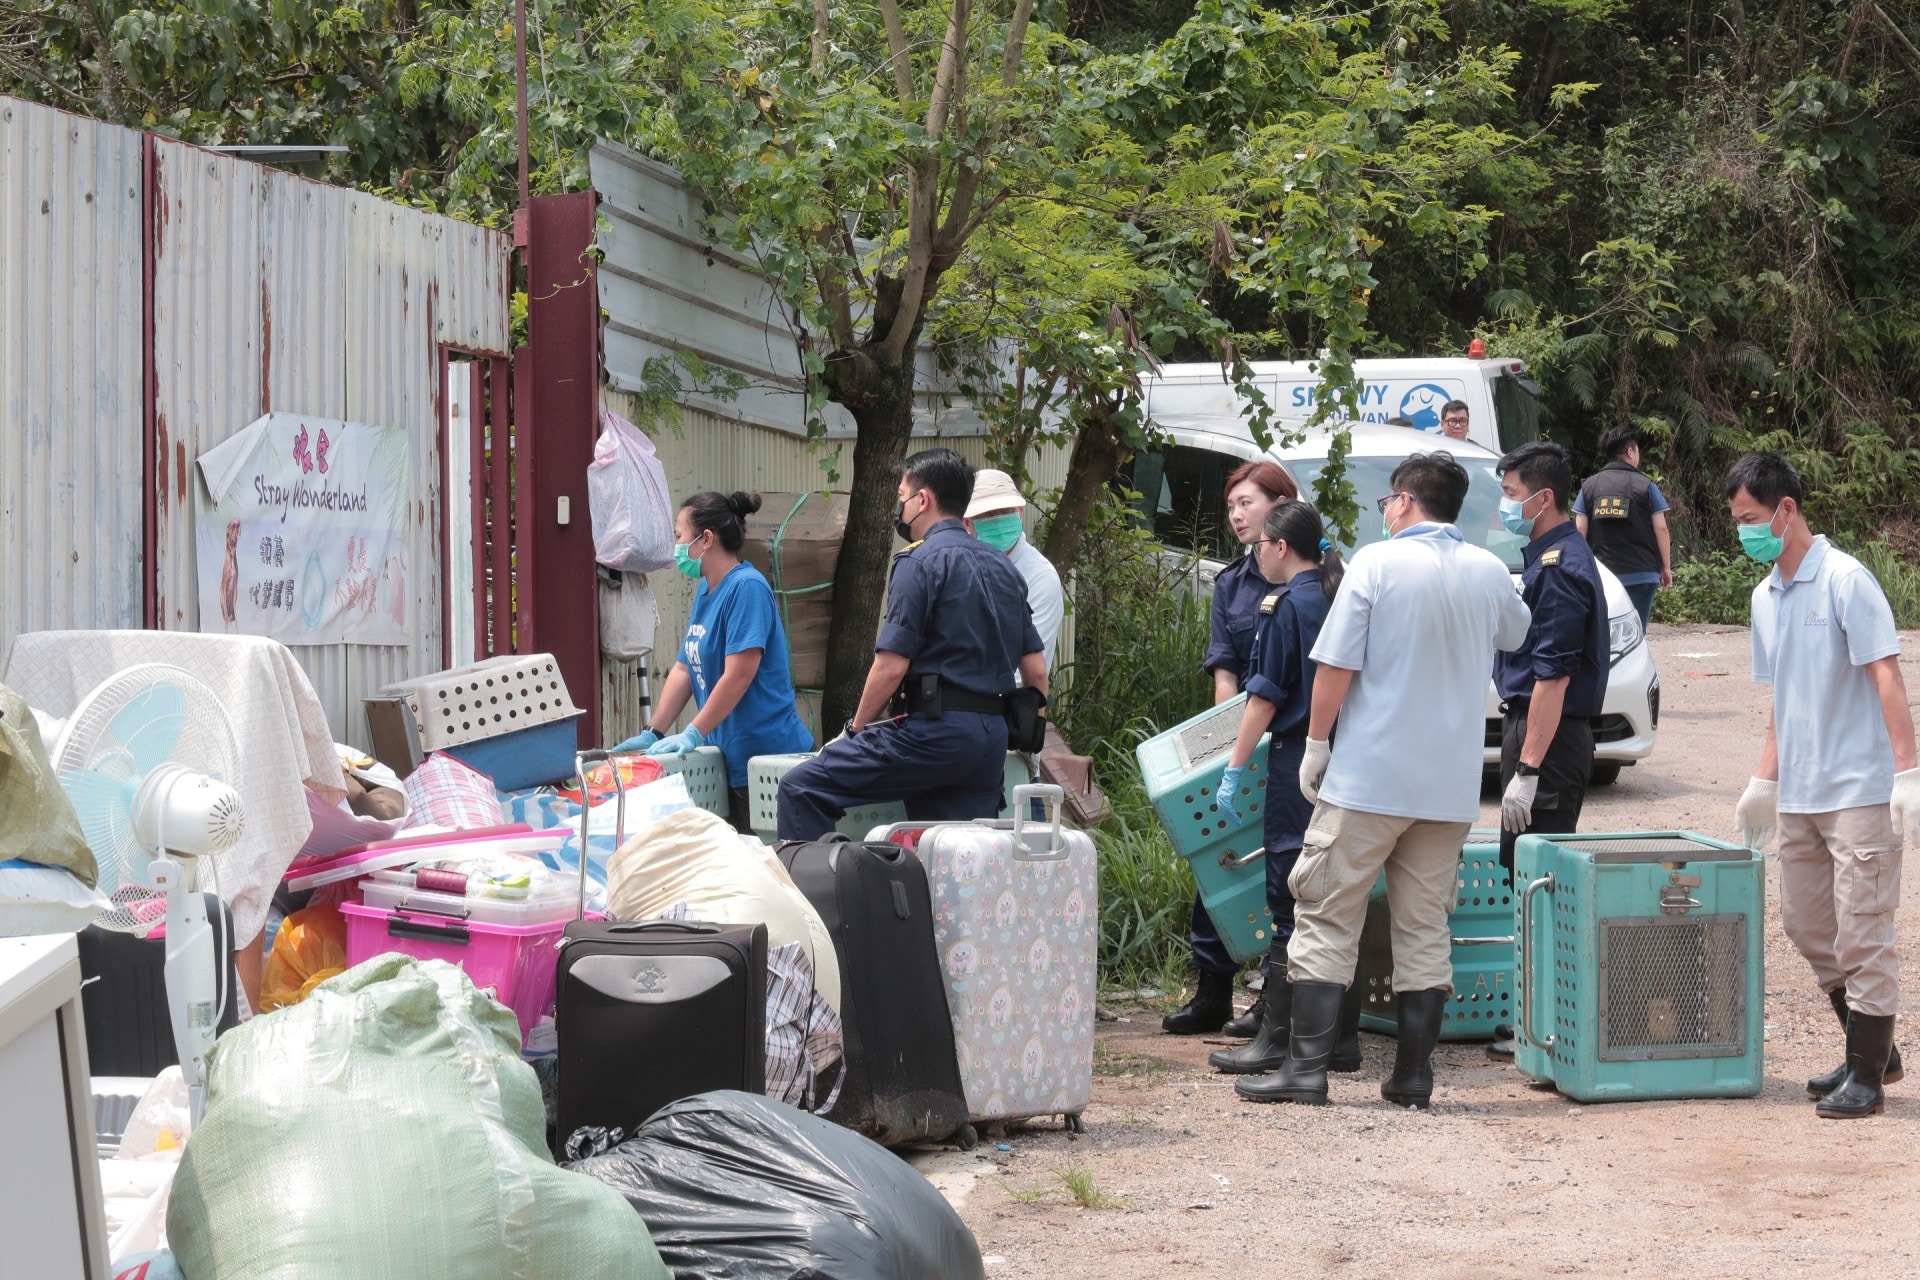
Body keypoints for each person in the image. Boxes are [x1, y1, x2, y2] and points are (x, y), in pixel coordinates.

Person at [1236, 451, 1530, 1108]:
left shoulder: (1376, 562)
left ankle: (1306, 1072)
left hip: (1370, 778)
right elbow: (1519, 634)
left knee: (1325, 913)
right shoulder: (1488, 571)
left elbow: (1335, 666)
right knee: (1424, 926)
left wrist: (1315, 744)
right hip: (1449, 788)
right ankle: (1412, 1077)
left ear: (1403, 502)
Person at [1726, 452, 1917, 1119]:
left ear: (1786, 509)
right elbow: (1782, 698)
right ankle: (1874, 1050)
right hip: (1802, 793)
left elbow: (1886, 676)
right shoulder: (1764, 597)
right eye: (1737, 521)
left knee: (1863, 930)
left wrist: (1907, 772)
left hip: (1859, 790)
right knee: (1808, 927)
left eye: (1751, 518)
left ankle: (1866, 1076)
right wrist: (1763, 779)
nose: (1744, 532)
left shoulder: (1846, 580)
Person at [776, 449, 1048, 840]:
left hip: (935, 733)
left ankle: (813, 899)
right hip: (990, 742)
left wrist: (855, 730)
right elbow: (1037, 672)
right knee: (955, 856)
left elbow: (891, 666)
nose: (899, 508)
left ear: (923, 500)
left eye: (902, 496)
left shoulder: (919, 562)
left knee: (801, 787)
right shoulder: (1003, 566)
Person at [1205, 502, 1363, 1078]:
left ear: (1278, 547)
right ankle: (1341, 1039)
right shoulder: (1338, 594)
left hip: (1298, 758)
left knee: (1288, 891)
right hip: (1346, 757)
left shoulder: (1285, 605)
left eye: (1259, 544)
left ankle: (1277, 1039)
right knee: (1337, 892)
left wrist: (1234, 766)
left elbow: (1264, 697)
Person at [1163, 460, 1300, 1037]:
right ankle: (1211, 990)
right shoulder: (1231, 584)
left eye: (1248, 502)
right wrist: (1226, 750)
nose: (1237, 514)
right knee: (1219, 859)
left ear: (1280, 504)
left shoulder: (1316, 576)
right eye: (1231, 506)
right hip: (1243, 742)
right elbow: (1225, 673)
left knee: (1286, 872)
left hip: (1295, 740)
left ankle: (1275, 998)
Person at [1485, 441, 1608, 1061]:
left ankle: (1547, 1025)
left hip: (1549, 740)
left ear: (1543, 498)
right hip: (1534, 730)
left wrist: (1528, 770)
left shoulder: (1560, 567)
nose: (1505, 505)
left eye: (1510, 495)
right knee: (1523, 874)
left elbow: (1552, 680)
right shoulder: (1544, 558)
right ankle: (1534, 1015)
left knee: (1541, 878)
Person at [615, 491, 814, 830]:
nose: (676, 547)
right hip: (728, 758)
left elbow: (739, 675)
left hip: (766, 760)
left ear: (705, 538)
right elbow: (684, 666)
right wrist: (654, 731)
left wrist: (692, 732)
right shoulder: (708, 590)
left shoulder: (746, 588)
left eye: (679, 536)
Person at [1575, 425, 1673, 628]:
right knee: (1636, 632)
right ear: (1630, 452)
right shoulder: (1646, 486)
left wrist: (1579, 570)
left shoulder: (1589, 487)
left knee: (1603, 631)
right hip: (1642, 575)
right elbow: (1661, 528)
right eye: (1637, 450)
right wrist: (1666, 568)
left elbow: (1579, 531)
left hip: (1602, 576)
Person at [965, 468, 1063, 668]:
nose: (999, 520)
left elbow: (1026, 670)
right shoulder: (959, 566)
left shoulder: (1041, 577)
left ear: (1020, 512)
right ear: (968, 523)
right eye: (988, 514)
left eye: (1006, 511)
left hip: (1009, 696)